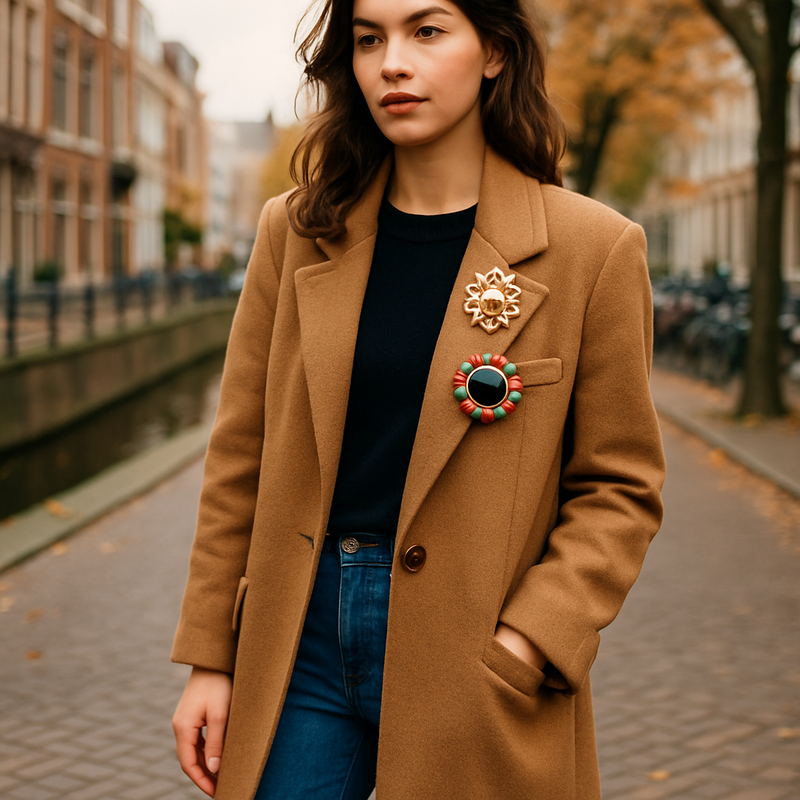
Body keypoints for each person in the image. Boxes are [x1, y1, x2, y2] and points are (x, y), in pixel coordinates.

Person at [171, 0, 666, 797]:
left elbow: (621, 486)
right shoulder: (294, 231)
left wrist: (532, 637)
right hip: (298, 634)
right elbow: (240, 454)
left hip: (475, 645)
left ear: (495, 52)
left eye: (425, 31)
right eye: (369, 40)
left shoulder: (593, 250)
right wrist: (211, 656)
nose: (391, 62)